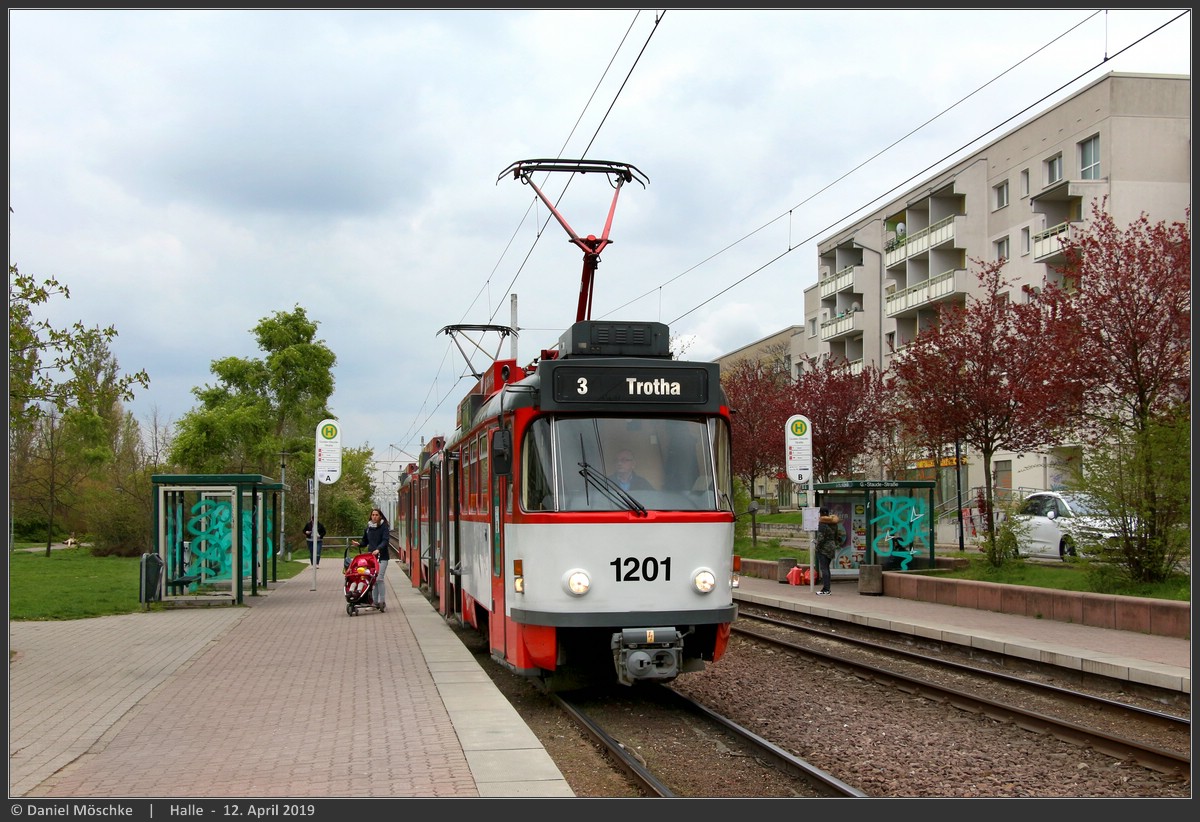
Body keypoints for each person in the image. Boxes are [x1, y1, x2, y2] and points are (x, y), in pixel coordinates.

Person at [357, 508, 390, 612]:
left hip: (382, 557)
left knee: (379, 578)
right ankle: (374, 603)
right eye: (373, 515)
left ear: (380, 516)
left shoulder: (384, 527)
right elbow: (365, 541)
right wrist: (359, 544)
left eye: (376, 515)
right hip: (371, 558)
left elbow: (385, 540)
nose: (374, 517)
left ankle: (382, 602)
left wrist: (378, 549)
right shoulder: (368, 528)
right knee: (373, 580)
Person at [814, 507, 843, 596]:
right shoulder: (834, 523)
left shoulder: (822, 523)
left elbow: (821, 538)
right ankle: (827, 588)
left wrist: (817, 547)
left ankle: (826, 589)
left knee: (824, 569)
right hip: (831, 547)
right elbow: (837, 536)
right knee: (827, 568)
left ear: (821, 513)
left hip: (824, 549)